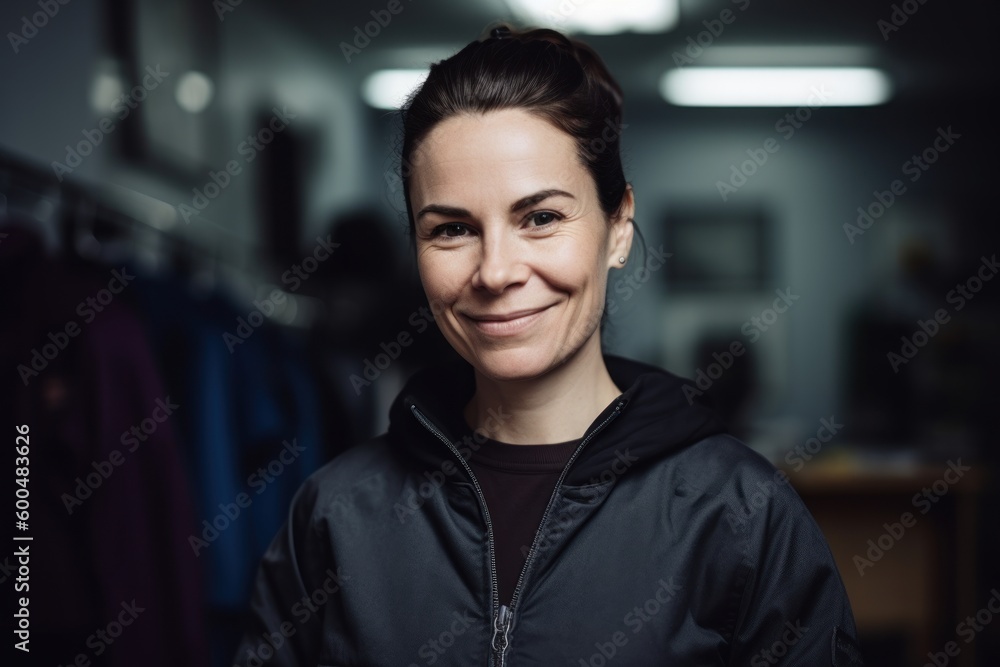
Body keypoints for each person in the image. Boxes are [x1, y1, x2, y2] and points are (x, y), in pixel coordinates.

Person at [233, 23, 864, 666]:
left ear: (618, 227)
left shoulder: (739, 512)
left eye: (541, 218)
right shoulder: (335, 517)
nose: (496, 272)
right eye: (452, 228)